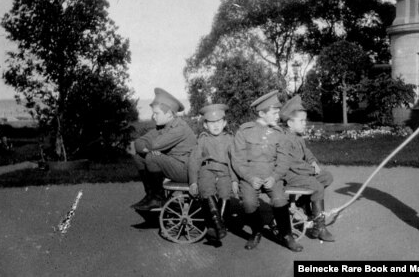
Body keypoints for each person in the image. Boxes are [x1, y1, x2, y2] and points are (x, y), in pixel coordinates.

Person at [231, 90, 303, 252]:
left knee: (279, 199)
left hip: (272, 175)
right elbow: (238, 159)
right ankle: (256, 231)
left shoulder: (279, 133)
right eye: (274, 112)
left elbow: (284, 159)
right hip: (250, 175)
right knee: (249, 202)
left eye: (278, 112)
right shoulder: (244, 131)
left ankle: (287, 235)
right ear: (262, 113)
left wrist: (275, 176)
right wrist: (249, 178)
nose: (278, 115)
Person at [130, 88, 197, 211]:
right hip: (174, 166)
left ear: (169, 114)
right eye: (153, 113)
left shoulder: (179, 128)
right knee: (138, 157)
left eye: (157, 113)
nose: (153, 116)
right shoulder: (163, 127)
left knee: (153, 157)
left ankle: (158, 198)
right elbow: (138, 143)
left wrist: (149, 149)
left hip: (186, 170)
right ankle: (151, 195)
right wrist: (145, 150)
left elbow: (156, 144)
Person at [279, 95, 335, 242]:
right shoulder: (285, 140)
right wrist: (311, 171)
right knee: (317, 186)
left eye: (305, 120)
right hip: (291, 176)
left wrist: (313, 162)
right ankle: (319, 227)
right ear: (290, 123)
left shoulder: (298, 137)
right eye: (302, 121)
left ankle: (303, 202)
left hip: (300, 174)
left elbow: (307, 153)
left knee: (327, 176)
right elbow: (294, 164)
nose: (305, 123)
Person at [188, 103, 238, 241]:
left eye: (219, 122)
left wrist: (234, 180)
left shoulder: (230, 139)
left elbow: (234, 161)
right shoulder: (203, 139)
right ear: (205, 125)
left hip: (224, 171)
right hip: (207, 169)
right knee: (206, 189)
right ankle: (217, 226)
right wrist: (193, 182)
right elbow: (194, 160)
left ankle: (218, 225)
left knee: (225, 192)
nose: (215, 125)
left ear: (225, 123)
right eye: (211, 122)